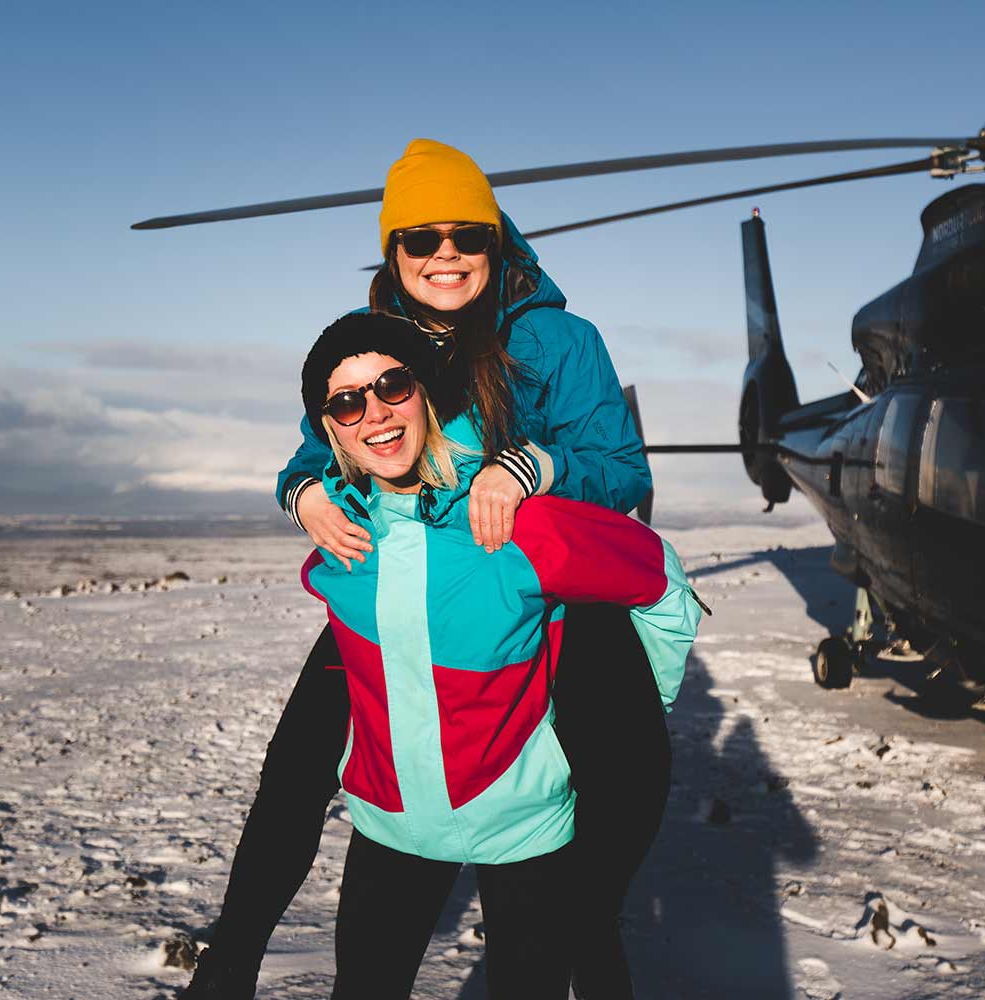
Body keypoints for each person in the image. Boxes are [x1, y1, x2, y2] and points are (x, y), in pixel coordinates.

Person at [184, 140, 674, 999]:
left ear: (496, 241)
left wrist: (534, 467)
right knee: (296, 767)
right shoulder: (378, 344)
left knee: (595, 821)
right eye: (420, 238)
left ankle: (592, 959)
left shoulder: (556, 338)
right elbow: (314, 444)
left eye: (466, 235)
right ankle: (228, 969)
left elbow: (623, 467)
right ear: (393, 251)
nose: (445, 254)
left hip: (543, 595)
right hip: (402, 591)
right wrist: (300, 491)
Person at [296, 313, 702, 998]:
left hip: (526, 832)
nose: (375, 413)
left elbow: (661, 581)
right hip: (387, 829)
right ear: (330, 427)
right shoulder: (339, 550)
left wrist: (640, 710)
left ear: (424, 393)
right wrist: (301, 492)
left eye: (393, 385)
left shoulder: (512, 520)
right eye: (347, 400)